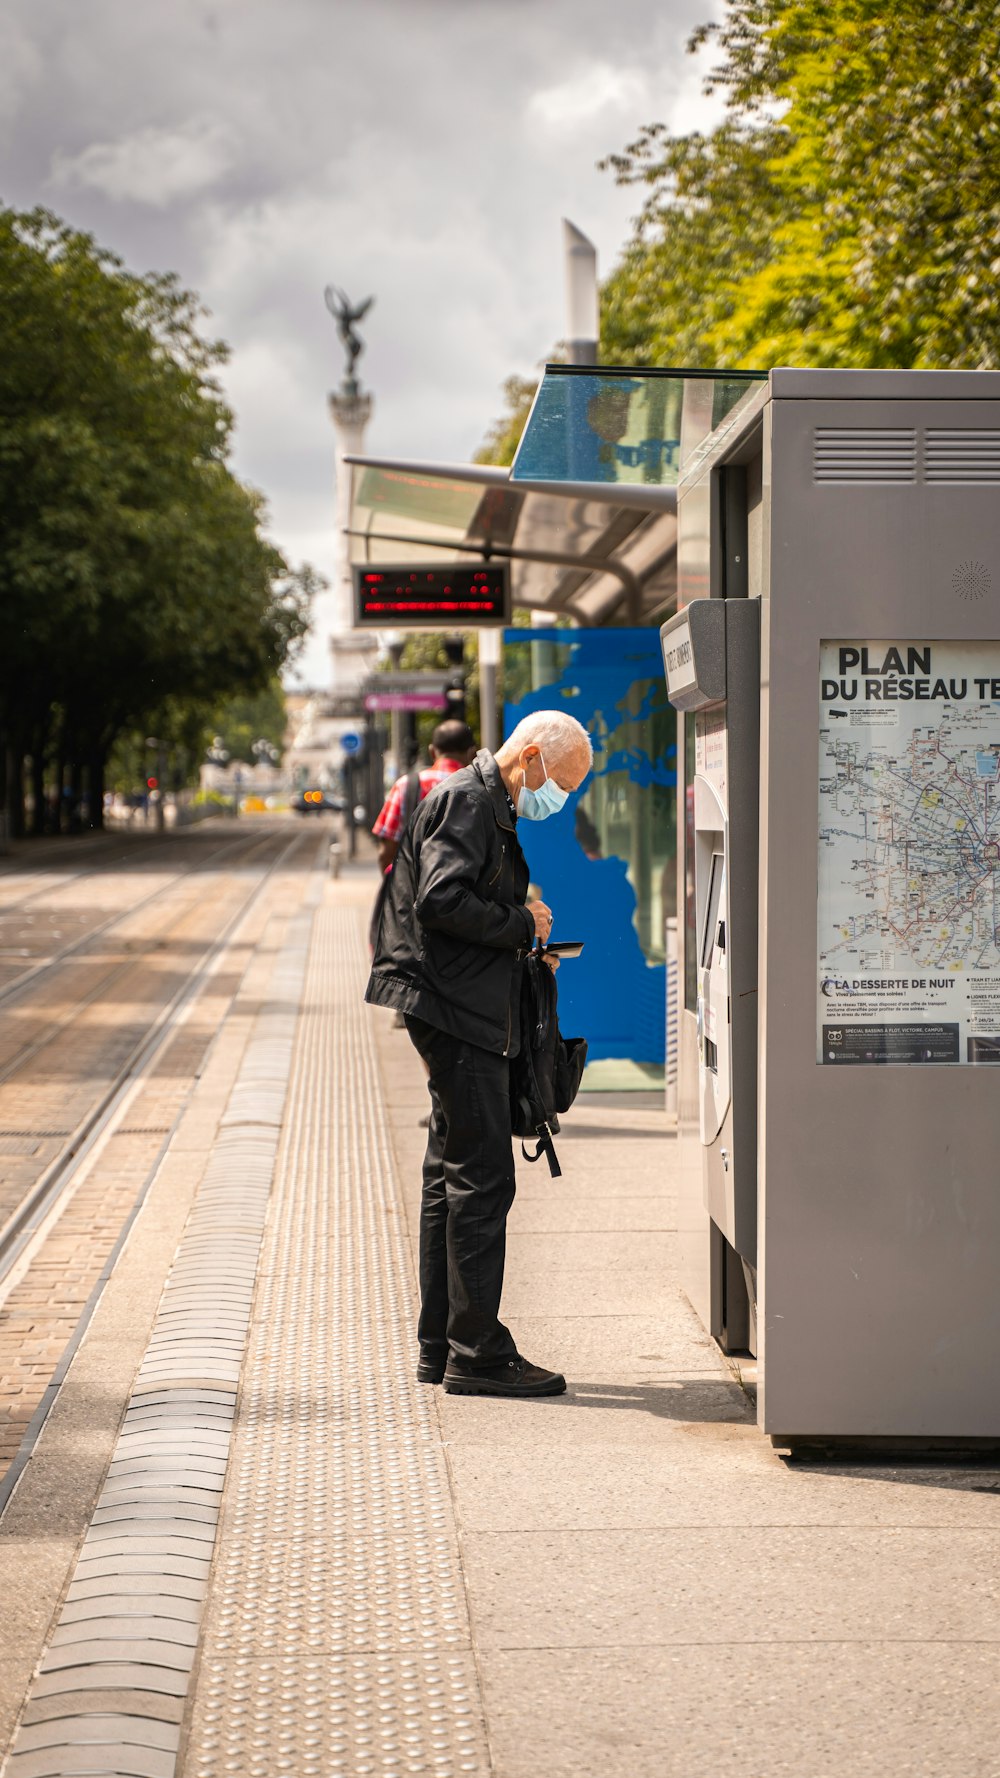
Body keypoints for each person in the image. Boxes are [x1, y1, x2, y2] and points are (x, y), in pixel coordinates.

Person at [366, 709, 593, 1399]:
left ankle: (443, 1345)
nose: (560, 800)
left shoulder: (483, 803)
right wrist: (522, 921)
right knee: (481, 1180)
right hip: (456, 1013)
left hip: (451, 1004)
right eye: (561, 783)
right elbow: (441, 901)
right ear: (528, 758)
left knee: (450, 1177)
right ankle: (478, 1352)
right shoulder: (468, 799)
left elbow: (456, 902)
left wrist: (524, 934)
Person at [371, 720, 477, 872]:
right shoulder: (481, 789)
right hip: (466, 890)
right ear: (472, 753)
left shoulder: (406, 785)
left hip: (414, 890)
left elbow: (386, 853)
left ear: (432, 751)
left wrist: (394, 889)